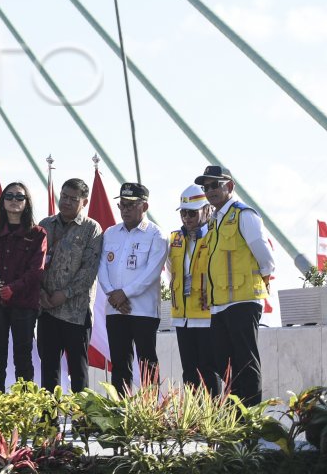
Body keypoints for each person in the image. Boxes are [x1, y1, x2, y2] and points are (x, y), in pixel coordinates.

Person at [196, 165, 275, 406]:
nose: (209, 191)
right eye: (205, 187)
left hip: (243, 301)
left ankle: (250, 420)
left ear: (229, 186)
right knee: (225, 364)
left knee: (246, 362)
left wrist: (255, 281)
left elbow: (266, 259)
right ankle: (235, 418)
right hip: (219, 305)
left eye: (214, 186)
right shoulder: (213, 222)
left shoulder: (244, 215)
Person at [0, 182, 46, 392]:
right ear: (2, 201)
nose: (14, 201)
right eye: (9, 196)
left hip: (23, 304)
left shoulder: (38, 234)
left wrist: (13, 288)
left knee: (23, 359)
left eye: (19, 197)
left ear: (27, 202)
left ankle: (23, 412)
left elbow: (37, 270)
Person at [97, 183, 166, 395]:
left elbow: (152, 272)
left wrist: (124, 294)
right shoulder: (110, 233)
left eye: (131, 205)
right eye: (122, 205)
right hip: (115, 309)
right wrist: (112, 293)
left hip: (143, 310)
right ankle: (121, 410)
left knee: (147, 362)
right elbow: (101, 265)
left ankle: (152, 410)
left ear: (144, 206)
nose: (125, 209)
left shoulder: (156, 234)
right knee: (119, 362)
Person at [37, 178, 103, 393]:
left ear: (84, 202)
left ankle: (82, 423)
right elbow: (33, 263)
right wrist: (40, 292)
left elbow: (89, 270)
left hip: (76, 312)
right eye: (63, 196)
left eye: (72, 199)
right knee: (48, 369)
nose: (65, 202)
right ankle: (49, 421)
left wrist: (65, 294)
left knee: (78, 370)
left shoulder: (92, 229)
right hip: (46, 310)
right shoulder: (45, 225)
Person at [167, 185, 216, 393]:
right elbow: (171, 272)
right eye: (183, 213)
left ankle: (214, 416)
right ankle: (193, 420)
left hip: (207, 315)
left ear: (207, 210)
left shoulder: (214, 236)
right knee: (189, 372)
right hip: (182, 316)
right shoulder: (174, 239)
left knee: (208, 370)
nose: (187, 218)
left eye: (192, 213)